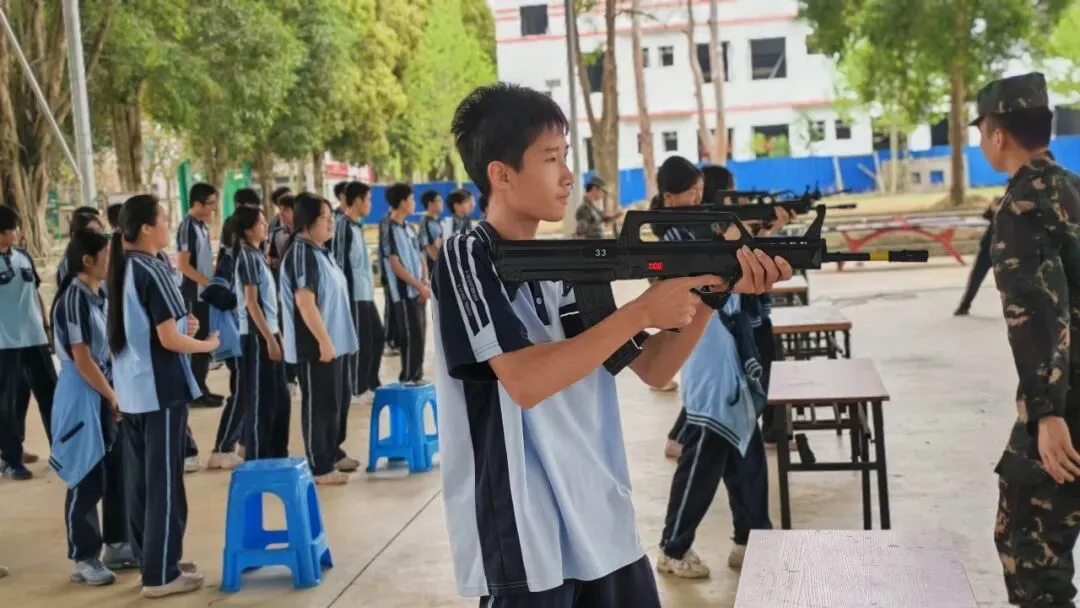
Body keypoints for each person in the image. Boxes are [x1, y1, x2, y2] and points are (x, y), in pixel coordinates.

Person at [436, 82, 791, 606]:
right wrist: (642, 311)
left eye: (566, 157)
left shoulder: (568, 264)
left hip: (602, 516)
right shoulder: (467, 255)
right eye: (551, 159)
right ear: (501, 174)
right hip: (526, 533)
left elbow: (654, 368)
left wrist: (711, 293)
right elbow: (525, 381)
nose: (567, 175)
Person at [973, 72, 1080, 608]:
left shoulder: (1022, 205)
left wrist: (1047, 412)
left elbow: (1037, 311)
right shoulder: (1071, 186)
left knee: (1029, 546)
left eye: (981, 132)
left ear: (998, 135)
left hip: (1068, 391)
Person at [108, 194, 217, 598]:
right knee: (165, 485)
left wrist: (182, 327)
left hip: (133, 390)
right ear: (146, 229)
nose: (169, 224)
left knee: (142, 484)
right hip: (160, 390)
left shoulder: (122, 267)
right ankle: (160, 574)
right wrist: (207, 345)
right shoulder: (151, 269)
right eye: (163, 219)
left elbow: (150, 328)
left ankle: (153, 560)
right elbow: (169, 339)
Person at [50, 229, 137, 585]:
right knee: (86, 474)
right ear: (87, 260)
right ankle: (83, 557)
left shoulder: (100, 296)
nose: (112, 261)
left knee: (116, 471)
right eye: (106, 255)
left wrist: (116, 393)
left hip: (105, 391)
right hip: (82, 395)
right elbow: (83, 359)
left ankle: (116, 543)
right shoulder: (74, 298)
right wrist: (112, 396)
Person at [280, 193, 359, 484]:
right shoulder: (301, 254)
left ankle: (332, 451)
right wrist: (324, 341)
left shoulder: (321, 252)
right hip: (315, 346)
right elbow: (305, 303)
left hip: (336, 343)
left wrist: (346, 339)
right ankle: (320, 465)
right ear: (306, 223)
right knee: (321, 406)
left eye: (331, 217)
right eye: (324, 218)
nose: (331, 223)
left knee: (338, 401)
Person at [0, 205, 56, 480]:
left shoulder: (23, 256)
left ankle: (62, 452)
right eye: (13, 228)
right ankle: (11, 459)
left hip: (34, 339)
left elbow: (34, 293)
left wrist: (45, 327)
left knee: (51, 395)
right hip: (4, 343)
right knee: (6, 403)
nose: (18, 232)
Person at [232, 206, 291, 460]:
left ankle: (277, 453)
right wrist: (269, 339)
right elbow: (251, 303)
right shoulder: (246, 256)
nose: (266, 226)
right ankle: (257, 456)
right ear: (248, 230)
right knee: (261, 402)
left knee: (280, 399)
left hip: (270, 332)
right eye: (260, 223)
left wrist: (277, 336)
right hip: (257, 337)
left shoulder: (258, 255)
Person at [332, 181, 384, 404]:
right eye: (368, 199)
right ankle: (357, 388)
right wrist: (344, 299)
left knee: (377, 337)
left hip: (366, 295)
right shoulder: (343, 226)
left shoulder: (357, 226)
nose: (370, 204)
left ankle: (371, 382)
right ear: (358, 201)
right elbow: (340, 264)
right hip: (353, 296)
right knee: (361, 342)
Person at [176, 182, 222, 409]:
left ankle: (201, 388)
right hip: (193, 295)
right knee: (196, 345)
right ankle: (195, 393)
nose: (213, 208)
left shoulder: (202, 227)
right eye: (210, 203)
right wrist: (207, 282)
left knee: (204, 345)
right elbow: (183, 265)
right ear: (197, 204)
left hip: (204, 295)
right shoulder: (187, 227)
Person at [205, 217, 244, 470]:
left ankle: (239, 444)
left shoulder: (240, 259)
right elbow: (214, 293)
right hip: (235, 337)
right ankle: (223, 448)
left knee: (246, 391)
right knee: (241, 392)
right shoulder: (229, 261)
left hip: (242, 335)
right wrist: (243, 300)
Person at [381, 183, 428, 384]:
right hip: (404, 292)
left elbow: (420, 256)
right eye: (411, 199)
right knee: (410, 337)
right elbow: (394, 264)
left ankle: (417, 376)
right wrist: (418, 286)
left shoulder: (409, 228)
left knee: (420, 335)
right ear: (402, 202)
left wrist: (424, 281)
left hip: (419, 290)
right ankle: (408, 378)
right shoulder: (389, 229)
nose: (414, 203)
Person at [954, 198, 1002, 316]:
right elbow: (986, 216)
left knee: (1007, 282)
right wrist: (991, 208)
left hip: (1004, 250)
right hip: (987, 248)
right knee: (975, 278)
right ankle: (964, 306)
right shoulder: (1000, 200)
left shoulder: (1017, 203)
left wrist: (998, 211)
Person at [56, 209, 105, 286]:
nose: (97, 237)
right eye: (90, 232)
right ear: (74, 235)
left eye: (99, 232)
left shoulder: (96, 257)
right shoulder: (70, 263)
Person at [418, 189, 444, 280]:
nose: (441, 203)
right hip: (431, 268)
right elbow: (428, 247)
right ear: (430, 203)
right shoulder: (425, 221)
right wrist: (442, 266)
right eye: (439, 200)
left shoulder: (438, 220)